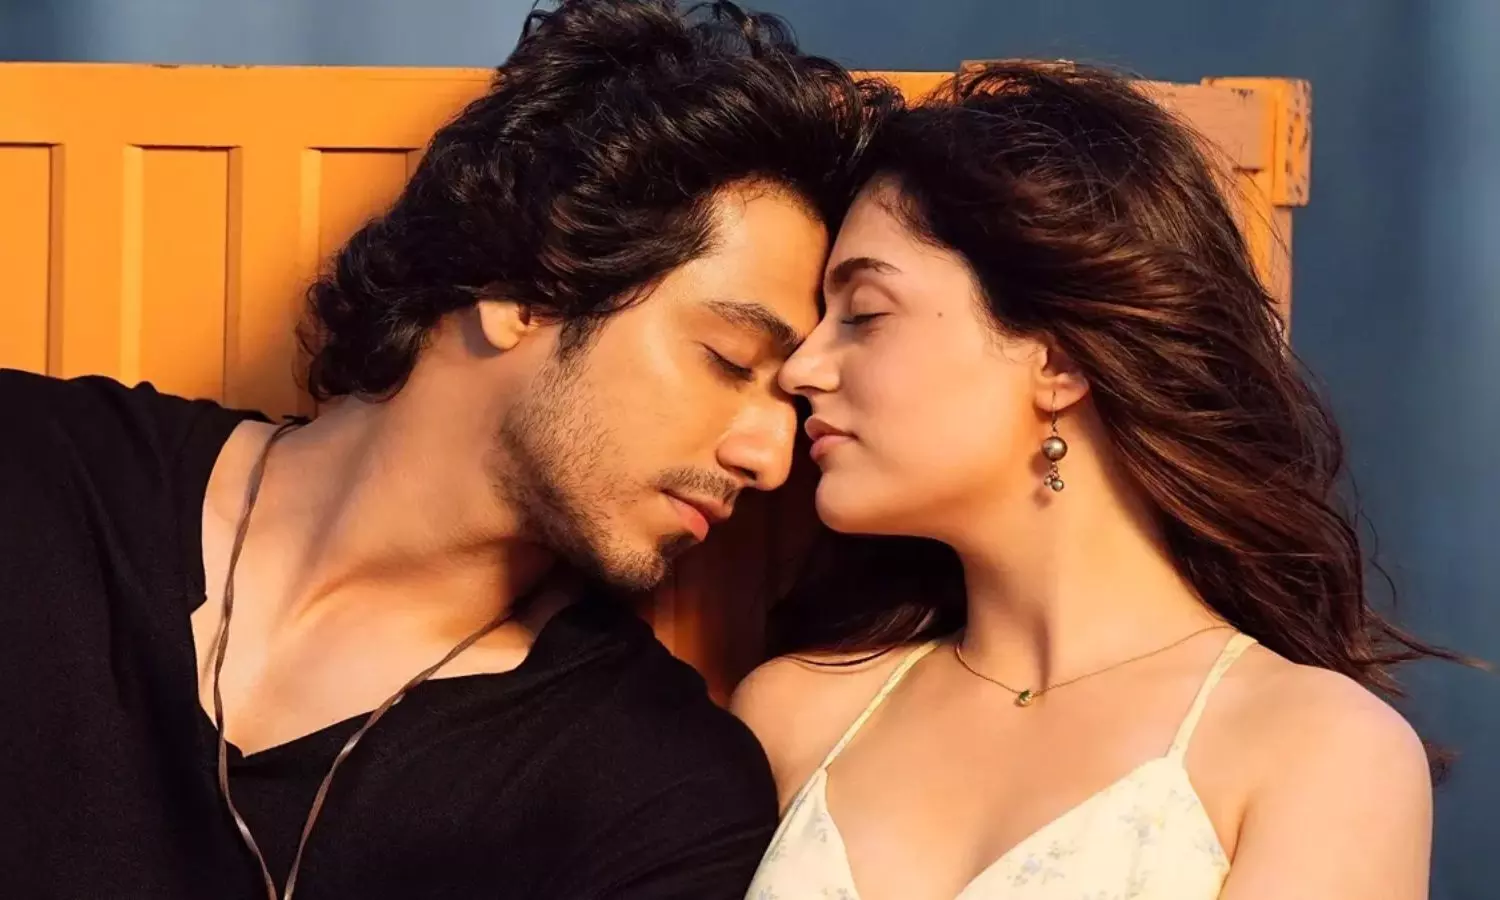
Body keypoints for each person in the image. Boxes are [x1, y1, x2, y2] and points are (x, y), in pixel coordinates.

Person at [0, 2, 896, 898]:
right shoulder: (35, 475)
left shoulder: (656, 795)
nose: (772, 459)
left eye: (794, 405)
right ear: (526, 286)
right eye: (729, 359)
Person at [736, 61, 1455, 900]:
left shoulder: (1316, 751)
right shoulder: (795, 718)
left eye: (862, 314)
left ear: (1058, 360)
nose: (803, 369)